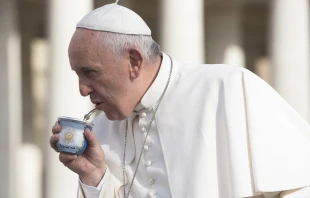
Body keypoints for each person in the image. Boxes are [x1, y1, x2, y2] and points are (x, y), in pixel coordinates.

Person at [50, 2, 310, 198]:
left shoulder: (226, 89)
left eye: (90, 73)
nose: (83, 90)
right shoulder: (103, 127)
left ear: (134, 62)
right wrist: (94, 175)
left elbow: (298, 186)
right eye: (77, 74)